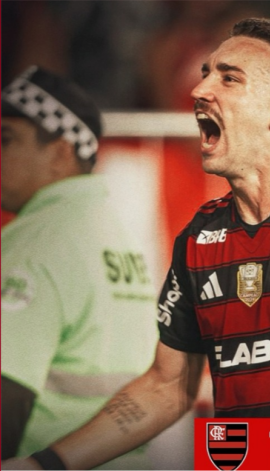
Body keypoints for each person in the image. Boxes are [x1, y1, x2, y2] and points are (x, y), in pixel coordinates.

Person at [3, 19, 270, 470]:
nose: (198, 89)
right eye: (206, 73)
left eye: (229, 78)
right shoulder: (200, 236)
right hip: (238, 461)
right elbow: (166, 388)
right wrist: (43, 465)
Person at [1, 67, 158, 469]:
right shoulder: (115, 233)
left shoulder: (38, 241)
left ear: (60, 153)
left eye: (6, 139)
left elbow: (7, 393)